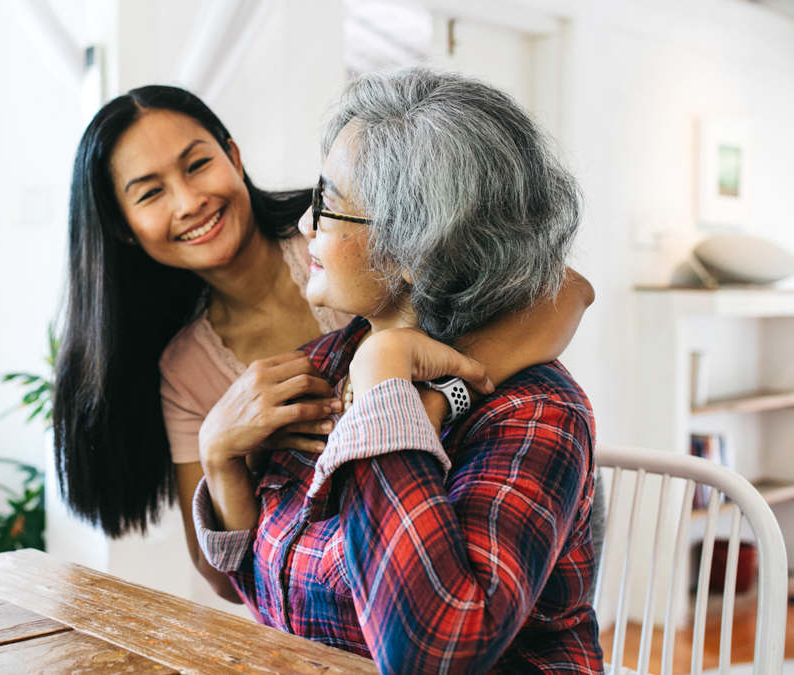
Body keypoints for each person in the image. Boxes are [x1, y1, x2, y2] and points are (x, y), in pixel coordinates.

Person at [53, 85, 594, 603]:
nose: (190, 200)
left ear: (233, 155)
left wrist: (431, 395)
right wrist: (219, 454)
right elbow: (231, 583)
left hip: (491, 517)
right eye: (150, 192)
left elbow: (565, 289)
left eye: (197, 165)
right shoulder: (183, 367)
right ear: (122, 226)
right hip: (331, 599)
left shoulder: (341, 251)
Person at [193, 68, 602, 673]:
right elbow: (280, 601)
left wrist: (386, 385)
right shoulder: (331, 363)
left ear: (416, 247)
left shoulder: (534, 415)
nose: (306, 225)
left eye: (328, 204)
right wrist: (221, 464)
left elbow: (432, 653)